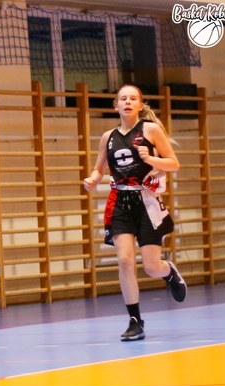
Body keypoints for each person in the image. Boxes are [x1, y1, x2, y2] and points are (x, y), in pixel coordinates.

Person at [82, 84, 188, 342]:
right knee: (125, 261)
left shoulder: (150, 130)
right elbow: (98, 168)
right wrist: (93, 179)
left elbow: (174, 163)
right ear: (115, 106)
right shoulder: (107, 137)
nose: (127, 102)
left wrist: (151, 160)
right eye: (123, 98)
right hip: (120, 202)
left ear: (140, 105)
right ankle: (135, 320)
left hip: (146, 202)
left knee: (151, 267)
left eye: (132, 98)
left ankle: (168, 272)